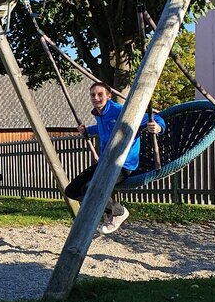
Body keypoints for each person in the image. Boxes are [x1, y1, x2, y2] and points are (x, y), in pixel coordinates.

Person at [66, 81, 165, 234]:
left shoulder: (122, 111)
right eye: (93, 95)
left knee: (89, 189)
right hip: (105, 162)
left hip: (123, 164)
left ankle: (119, 212)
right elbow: (103, 130)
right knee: (72, 191)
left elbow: (156, 118)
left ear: (109, 96)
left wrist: (157, 127)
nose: (96, 98)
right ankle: (109, 211)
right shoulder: (99, 114)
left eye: (100, 94)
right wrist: (87, 130)